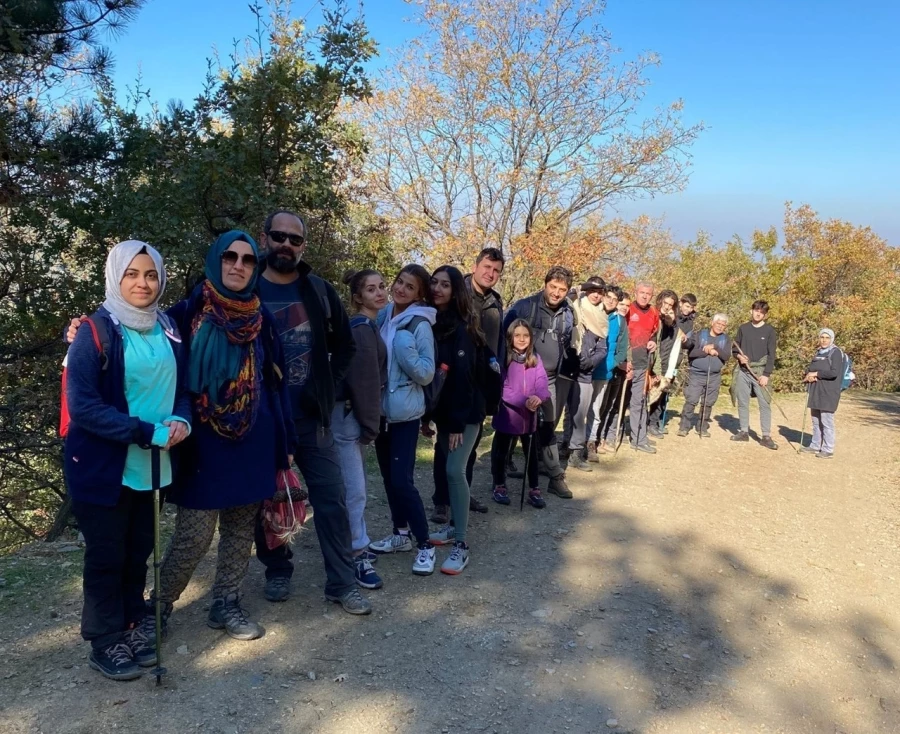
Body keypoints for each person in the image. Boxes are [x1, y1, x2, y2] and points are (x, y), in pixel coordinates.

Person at [150, 230, 297, 641]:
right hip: (202, 440)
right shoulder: (184, 313)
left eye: (248, 260)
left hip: (254, 438)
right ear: (216, 261)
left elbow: (276, 384)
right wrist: (83, 330)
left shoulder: (261, 317)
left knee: (238, 529)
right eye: (230, 257)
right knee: (194, 534)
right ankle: (157, 608)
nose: (238, 265)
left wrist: (285, 446)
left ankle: (226, 602)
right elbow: (138, 343)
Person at [64, 241, 191, 681]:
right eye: (132, 274)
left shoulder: (169, 327)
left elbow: (184, 390)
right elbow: (82, 406)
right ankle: (104, 640)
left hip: (153, 464)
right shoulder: (94, 330)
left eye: (151, 274)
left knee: (138, 551)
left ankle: (132, 624)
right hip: (103, 466)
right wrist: (143, 431)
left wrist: (181, 420)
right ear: (115, 277)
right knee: (107, 555)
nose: (142, 283)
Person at [252, 211, 370, 615]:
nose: (287, 244)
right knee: (264, 500)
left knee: (331, 498)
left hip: (310, 418)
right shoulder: (243, 287)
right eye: (279, 236)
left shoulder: (318, 291)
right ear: (264, 238)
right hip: (259, 419)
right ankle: (277, 569)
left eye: (295, 239)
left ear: (303, 246)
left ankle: (341, 582)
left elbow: (347, 347)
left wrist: (326, 391)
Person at [369, 265, 438, 575]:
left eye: (410, 287)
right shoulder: (384, 315)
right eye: (399, 282)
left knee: (402, 480)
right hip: (382, 411)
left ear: (419, 294)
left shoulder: (419, 324)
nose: (400, 289)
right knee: (388, 478)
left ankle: (424, 544)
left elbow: (426, 373)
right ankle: (400, 534)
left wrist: (405, 348)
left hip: (406, 413)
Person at [431, 247, 505, 522]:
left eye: (496, 270)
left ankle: (463, 491)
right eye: (487, 267)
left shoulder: (495, 303)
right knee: (446, 444)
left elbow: (497, 348)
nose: (491, 273)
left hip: (481, 385)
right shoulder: (455, 294)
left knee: (470, 448)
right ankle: (442, 500)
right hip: (453, 384)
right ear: (475, 266)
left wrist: (496, 385)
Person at [425, 266, 487, 574]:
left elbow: (463, 377)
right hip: (445, 412)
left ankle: (461, 544)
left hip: (466, 413)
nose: (437, 288)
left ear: (456, 291)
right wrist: (429, 417)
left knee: (453, 469)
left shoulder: (462, 326)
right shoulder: (433, 323)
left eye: (445, 285)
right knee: (449, 469)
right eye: (434, 283)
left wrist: (458, 424)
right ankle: (452, 527)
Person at [334, 269, 389, 589]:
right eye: (371, 289)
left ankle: (357, 542)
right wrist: (371, 425)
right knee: (354, 491)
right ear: (358, 298)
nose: (380, 293)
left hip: (350, 417)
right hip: (348, 418)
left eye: (382, 286)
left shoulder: (369, 326)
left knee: (354, 488)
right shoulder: (361, 329)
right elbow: (365, 383)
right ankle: (356, 553)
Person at [503, 266, 576, 499]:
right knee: (512, 424)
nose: (556, 293)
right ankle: (502, 470)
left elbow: (567, 343)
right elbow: (506, 337)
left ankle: (554, 476)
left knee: (547, 425)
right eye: (552, 287)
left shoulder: (568, 313)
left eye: (562, 289)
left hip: (550, 379)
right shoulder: (525, 307)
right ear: (545, 284)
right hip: (521, 374)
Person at [490, 320, 551, 508]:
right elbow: (504, 387)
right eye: (517, 335)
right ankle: (499, 484)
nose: (522, 339)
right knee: (501, 452)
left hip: (529, 417)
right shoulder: (504, 359)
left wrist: (539, 397)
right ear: (510, 337)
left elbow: (542, 381)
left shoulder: (535, 359)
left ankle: (534, 488)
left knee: (531, 453)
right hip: (507, 414)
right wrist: (524, 400)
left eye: (526, 335)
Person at [562, 277, 609, 471]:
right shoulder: (574, 305)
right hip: (565, 368)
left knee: (579, 414)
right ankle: (550, 451)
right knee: (556, 412)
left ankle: (575, 452)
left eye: (599, 291)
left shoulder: (602, 317)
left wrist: (589, 362)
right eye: (592, 290)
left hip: (585, 374)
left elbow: (602, 349)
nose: (596, 294)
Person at [586, 285, 629, 460]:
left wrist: (611, 364)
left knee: (596, 410)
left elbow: (622, 348)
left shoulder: (619, 321)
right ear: (603, 297)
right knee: (575, 409)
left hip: (604, 371)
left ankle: (590, 444)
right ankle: (568, 442)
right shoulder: (591, 312)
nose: (611, 301)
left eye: (615, 299)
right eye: (608, 296)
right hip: (585, 369)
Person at [730, 300, 778, 449]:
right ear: (751, 311)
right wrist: (739, 357)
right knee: (743, 402)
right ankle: (744, 432)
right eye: (756, 310)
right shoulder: (743, 328)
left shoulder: (770, 331)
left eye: (762, 312)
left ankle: (766, 436)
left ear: (765, 315)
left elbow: (772, 355)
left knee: (764, 404)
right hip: (743, 372)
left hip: (760, 373)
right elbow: (735, 348)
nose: (758, 313)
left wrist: (766, 375)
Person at [677, 314, 732, 437]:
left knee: (708, 402)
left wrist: (715, 347)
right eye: (718, 323)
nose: (720, 326)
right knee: (691, 400)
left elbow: (726, 356)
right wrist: (705, 351)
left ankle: (702, 427)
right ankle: (684, 427)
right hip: (696, 374)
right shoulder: (700, 334)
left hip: (714, 376)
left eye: (723, 325)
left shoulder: (726, 339)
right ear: (712, 323)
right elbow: (691, 353)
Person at [625, 282, 660, 453]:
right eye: (642, 292)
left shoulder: (654, 312)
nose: (645, 296)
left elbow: (654, 332)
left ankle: (639, 438)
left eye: (648, 293)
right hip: (626, 364)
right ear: (635, 292)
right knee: (619, 401)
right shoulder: (628, 309)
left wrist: (653, 341)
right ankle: (609, 437)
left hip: (643, 363)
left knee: (640, 402)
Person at [799, 328, 843, 459]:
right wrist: (809, 375)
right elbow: (810, 369)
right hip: (815, 390)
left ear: (832, 339)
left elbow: (834, 372)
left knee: (826, 420)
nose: (824, 340)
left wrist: (816, 374)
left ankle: (828, 449)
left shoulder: (835, 353)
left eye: (827, 337)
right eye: (822, 337)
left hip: (829, 392)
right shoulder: (818, 352)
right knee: (816, 420)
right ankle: (815, 445)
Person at [647, 290, 683, 439]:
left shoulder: (673, 325)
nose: (667, 306)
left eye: (670, 305)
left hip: (665, 363)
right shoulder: (652, 316)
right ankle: (641, 424)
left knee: (659, 396)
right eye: (665, 303)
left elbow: (675, 344)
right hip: (651, 361)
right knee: (645, 395)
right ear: (660, 301)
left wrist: (672, 324)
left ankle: (652, 424)